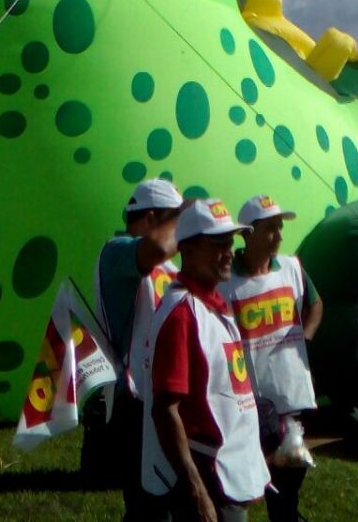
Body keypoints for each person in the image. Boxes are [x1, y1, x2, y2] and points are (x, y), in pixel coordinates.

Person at [143, 197, 270, 522]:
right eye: (218, 244)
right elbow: (165, 410)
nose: (229, 252)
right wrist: (197, 492)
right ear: (187, 250)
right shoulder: (182, 314)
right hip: (208, 477)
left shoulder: (213, 303)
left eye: (229, 243)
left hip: (229, 474)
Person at [221, 194, 323, 522]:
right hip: (247, 402)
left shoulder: (291, 267)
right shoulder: (226, 282)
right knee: (243, 487)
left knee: (287, 486)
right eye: (270, 229)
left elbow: (315, 304)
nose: (278, 235)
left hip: (291, 397)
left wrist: (305, 337)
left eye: (280, 227)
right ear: (247, 234)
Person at [91, 177, 183, 519]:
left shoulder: (168, 268)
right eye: (175, 221)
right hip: (134, 404)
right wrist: (190, 214)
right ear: (151, 218)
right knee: (149, 507)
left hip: (164, 397)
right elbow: (156, 248)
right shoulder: (116, 252)